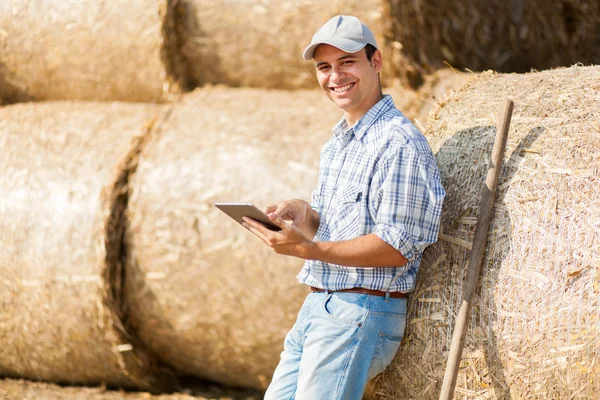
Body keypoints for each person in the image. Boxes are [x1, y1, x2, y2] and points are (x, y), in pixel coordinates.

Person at [242, 15, 445, 400]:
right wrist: (305, 215)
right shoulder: (338, 143)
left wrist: (308, 250)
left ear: (376, 62)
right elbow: (338, 228)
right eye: (324, 67)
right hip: (320, 305)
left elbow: (396, 247)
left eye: (347, 62)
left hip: (361, 313)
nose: (335, 76)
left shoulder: (398, 143)